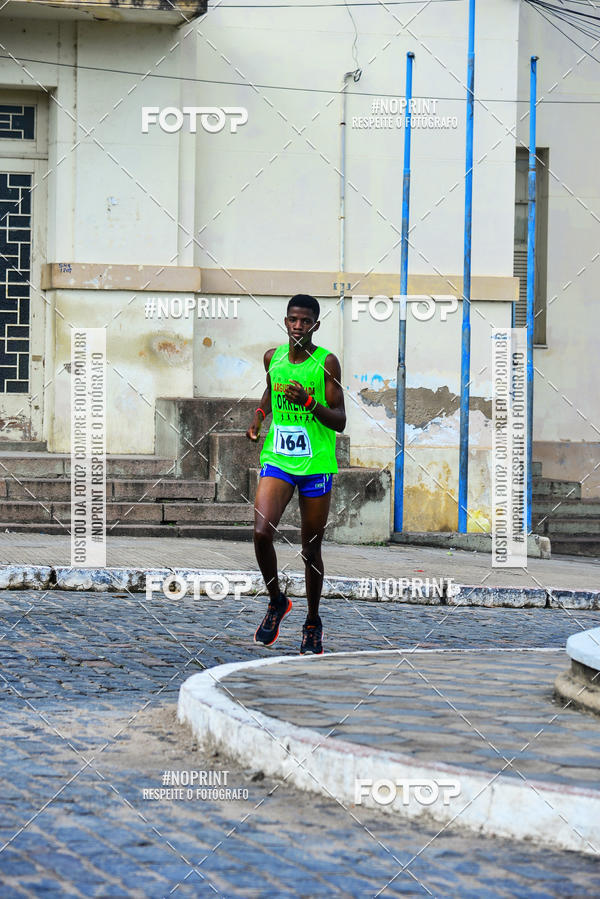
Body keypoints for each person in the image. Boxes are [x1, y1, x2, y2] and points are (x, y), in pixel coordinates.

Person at [245, 294, 346, 654]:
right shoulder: (273, 358)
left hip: (316, 464)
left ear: (315, 326)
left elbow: (339, 420)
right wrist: (259, 416)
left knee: (310, 549)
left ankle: (312, 621)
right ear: (285, 322)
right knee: (260, 532)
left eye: (305, 321)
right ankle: (276, 600)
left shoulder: (326, 363)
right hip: (279, 458)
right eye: (292, 320)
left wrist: (307, 401)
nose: (298, 326)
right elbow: (271, 393)